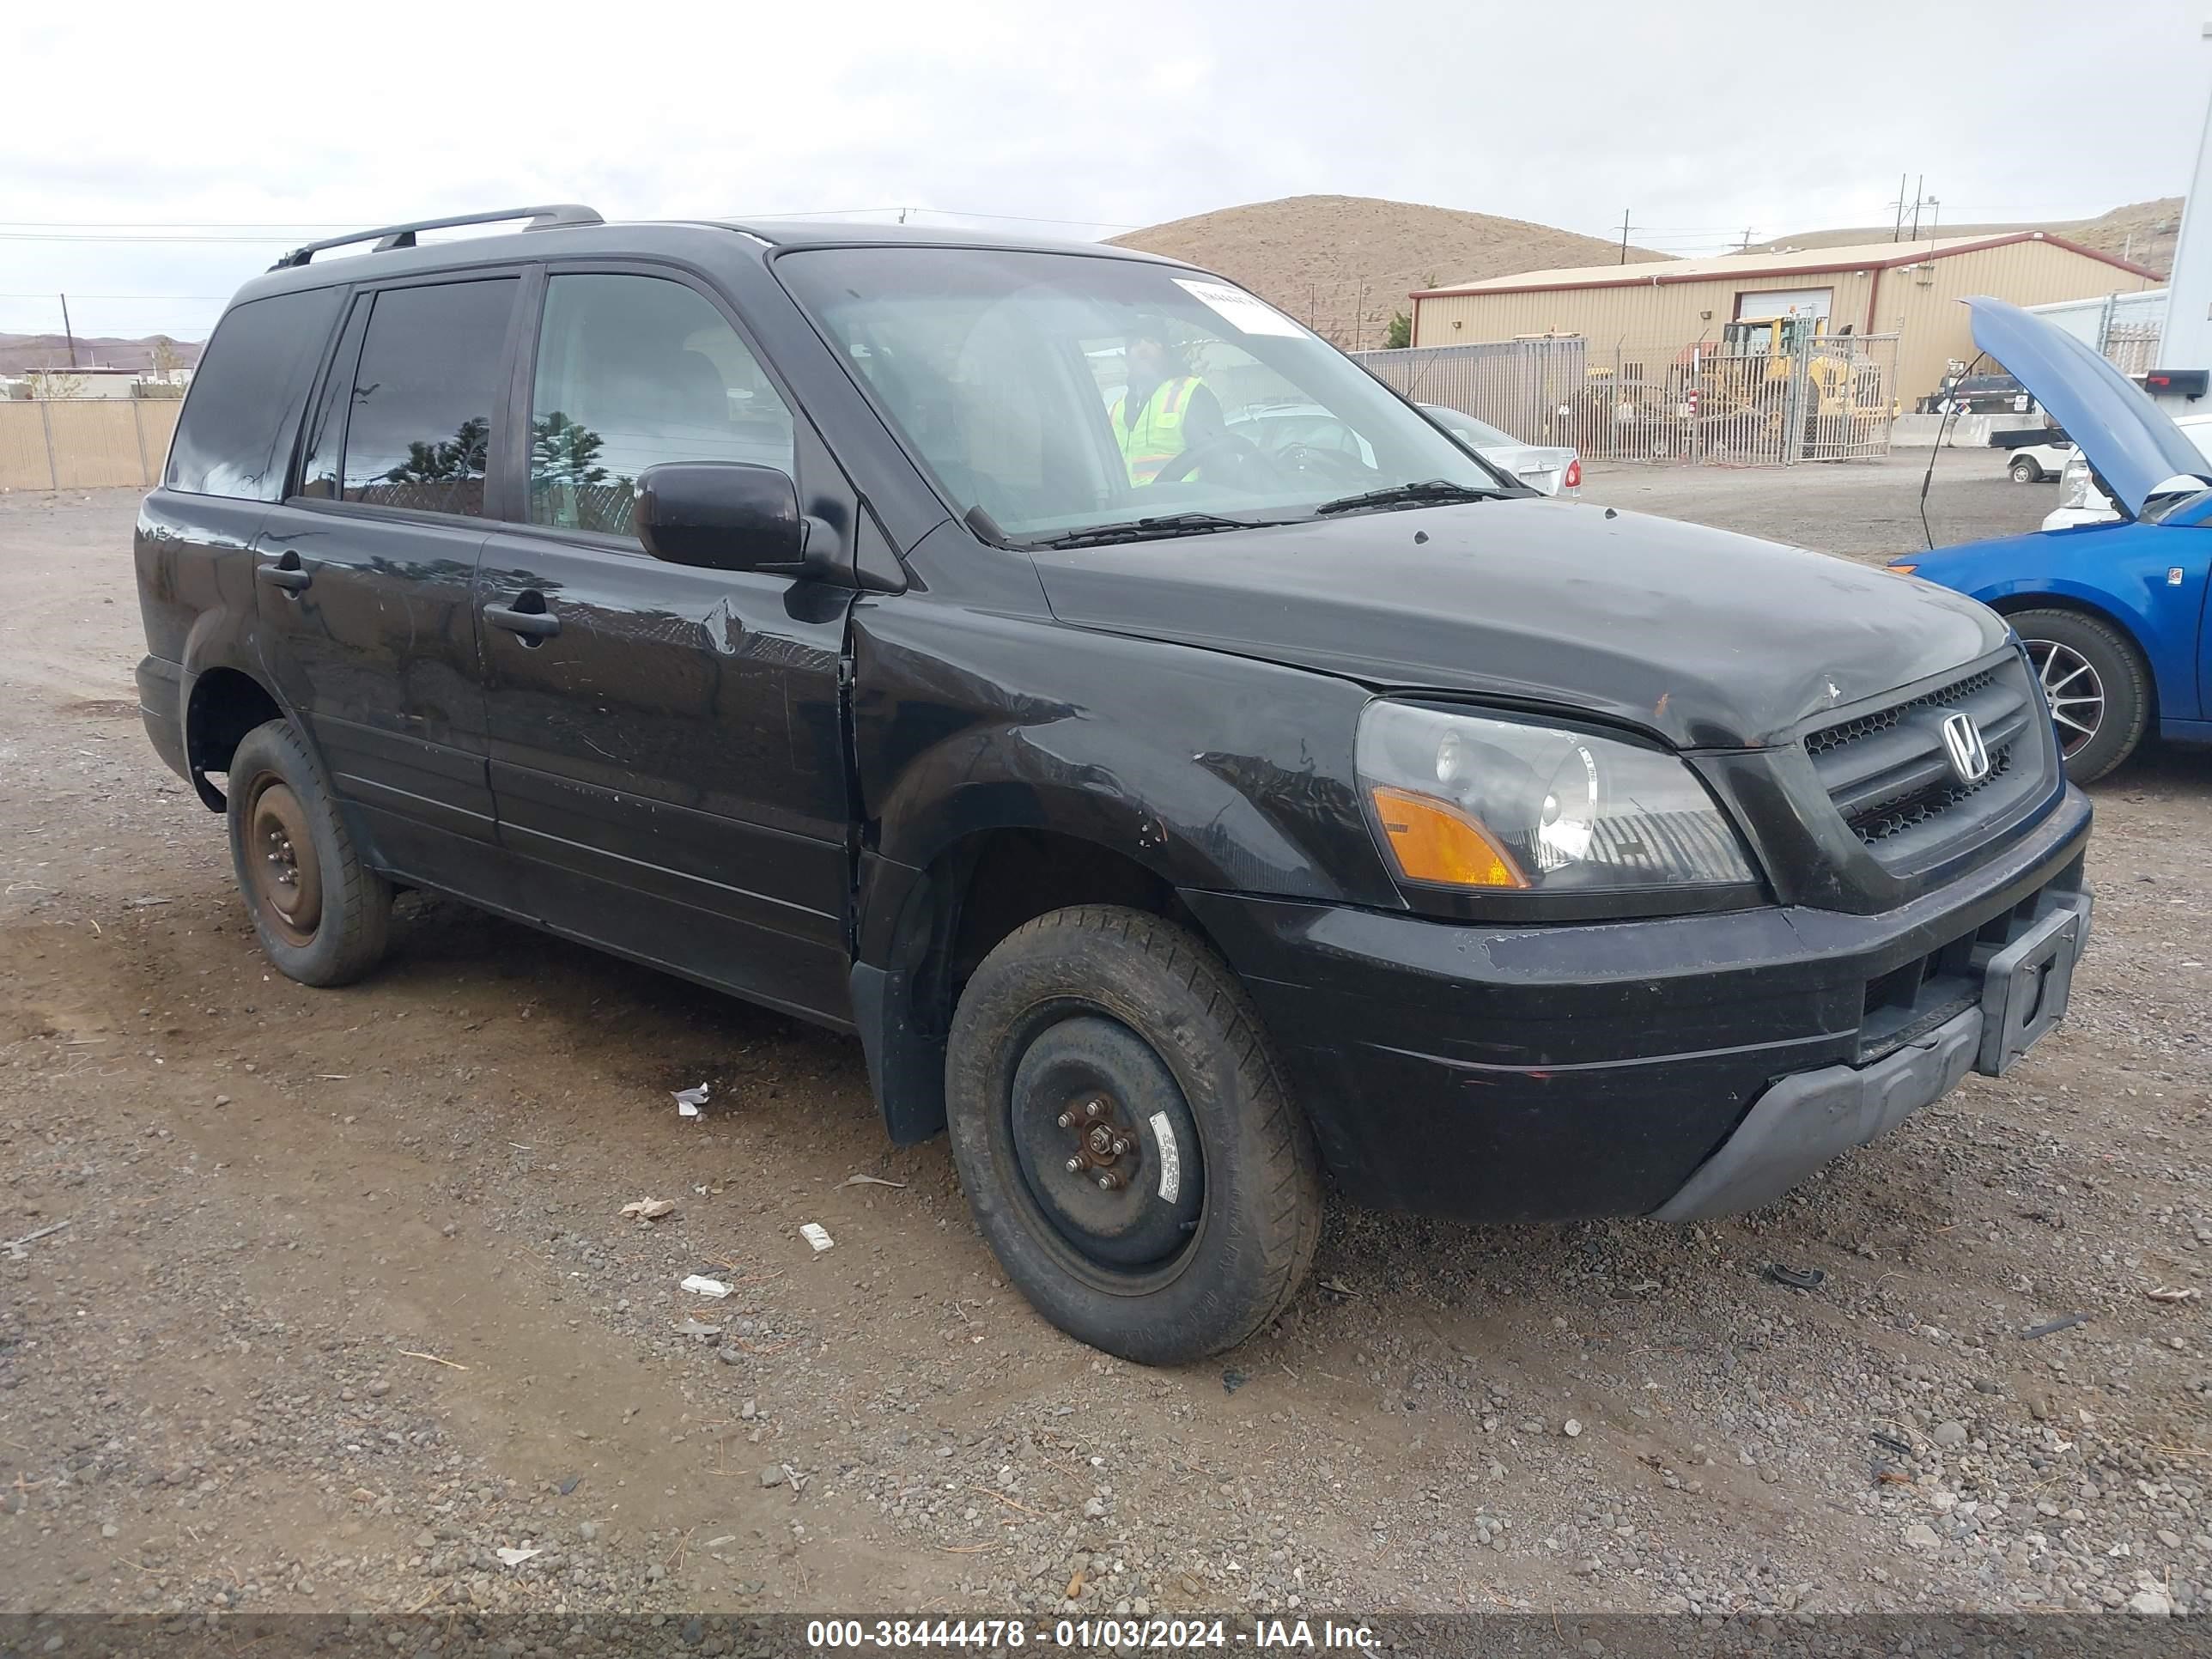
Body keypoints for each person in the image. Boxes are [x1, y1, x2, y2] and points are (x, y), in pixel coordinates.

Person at [1110, 317, 1224, 485]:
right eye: (1134, 343)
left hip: (1184, 507)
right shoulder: (1116, 409)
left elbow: (1220, 467)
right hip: (1128, 509)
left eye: (1151, 341)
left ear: (1167, 352)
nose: (1142, 349)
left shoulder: (1190, 394)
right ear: (1127, 358)